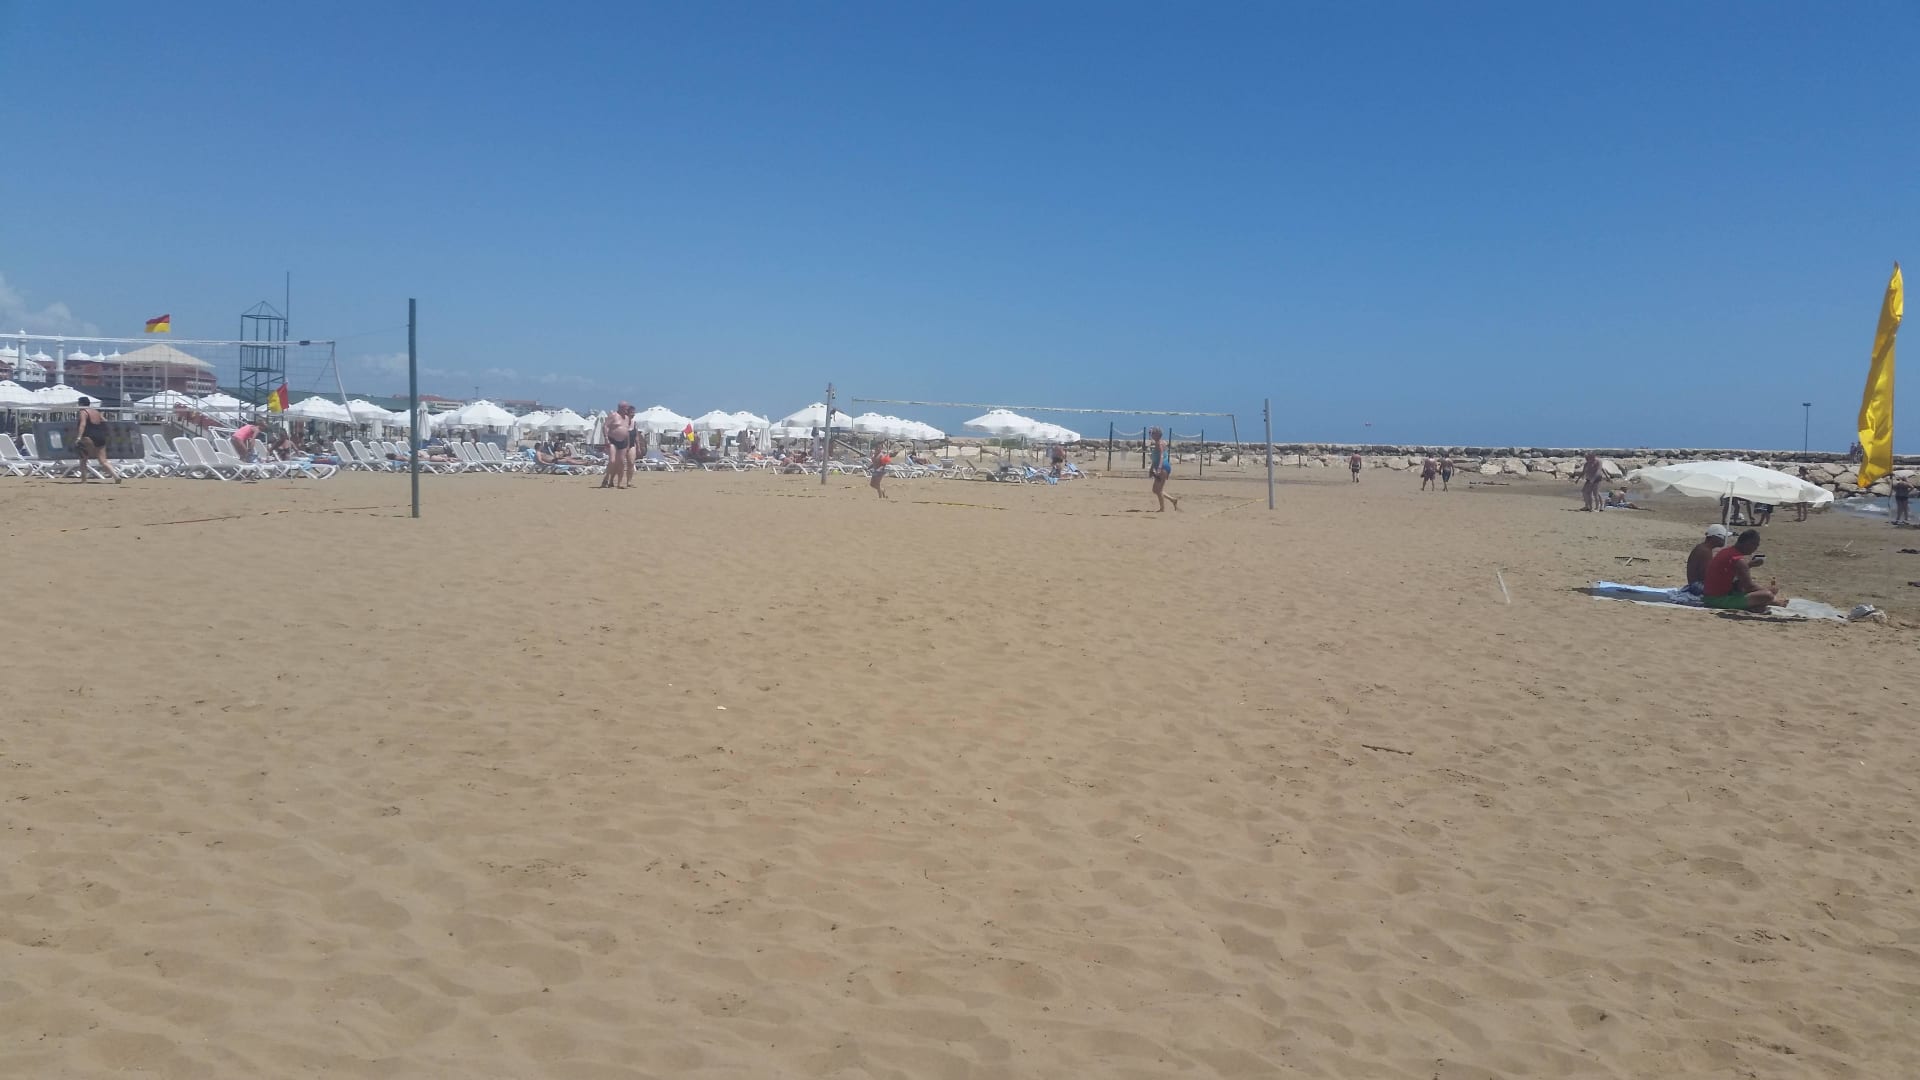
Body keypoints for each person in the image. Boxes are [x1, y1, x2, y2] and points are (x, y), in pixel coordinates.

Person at [1702, 529, 1779, 611]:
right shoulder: (1738, 560)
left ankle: (1756, 605)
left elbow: (1732, 575)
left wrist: (1749, 565)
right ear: (1747, 543)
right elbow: (1749, 587)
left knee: (1760, 593)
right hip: (1718, 599)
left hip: (1710, 596)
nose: (1755, 548)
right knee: (1767, 595)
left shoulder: (1726, 551)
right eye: (1755, 545)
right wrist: (1769, 592)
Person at [70, 396, 120, 483]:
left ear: (81, 404)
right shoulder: (96, 411)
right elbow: (105, 421)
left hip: (88, 437)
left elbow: (83, 425)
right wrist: (108, 433)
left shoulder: (83, 412)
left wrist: (78, 437)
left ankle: (84, 480)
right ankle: (116, 476)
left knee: (83, 459)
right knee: (103, 461)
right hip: (100, 436)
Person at [1684, 524, 1730, 595]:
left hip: (1694, 584)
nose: (1725, 540)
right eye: (1724, 537)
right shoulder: (1705, 552)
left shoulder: (1702, 548)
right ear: (1716, 537)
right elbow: (1707, 575)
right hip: (1697, 586)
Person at [601, 402, 635, 489]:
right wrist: (606, 438)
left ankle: (619, 483)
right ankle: (606, 478)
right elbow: (605, 426)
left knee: (621, 463)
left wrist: (628, 444)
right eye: (626, 408)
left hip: (623, 442)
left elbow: (627, 431)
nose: (627, 409)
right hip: (612, 440)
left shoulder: (627, 418)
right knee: (612, 461)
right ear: (621, 408)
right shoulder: (613, 415)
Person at [1150, 428, 1180, 511]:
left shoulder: (1160, 443)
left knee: (1158, 490)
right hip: (1160, 467)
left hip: (1163, 467)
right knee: (1155, 489)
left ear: (1157, 435)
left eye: (1153, 433)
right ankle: (1173, 500)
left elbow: (1161, 456)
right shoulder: (1158, 443)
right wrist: (1151, 468)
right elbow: (1155, 458)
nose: (1151, 435)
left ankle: (1162, 508)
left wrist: (1159, 468)